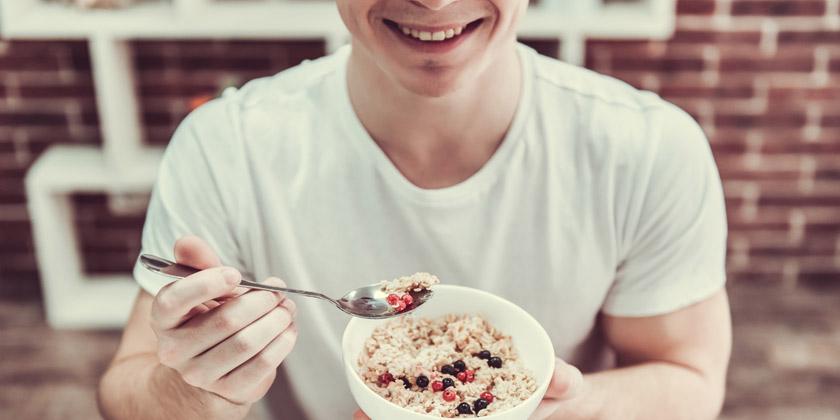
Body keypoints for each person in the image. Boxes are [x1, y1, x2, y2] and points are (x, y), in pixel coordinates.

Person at [97, 0, 732, 418]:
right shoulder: (226, 145)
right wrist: (195, 385)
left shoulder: (647, 149)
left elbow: (689, 377)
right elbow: (123, 392)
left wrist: (562, 407)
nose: (433, 1)